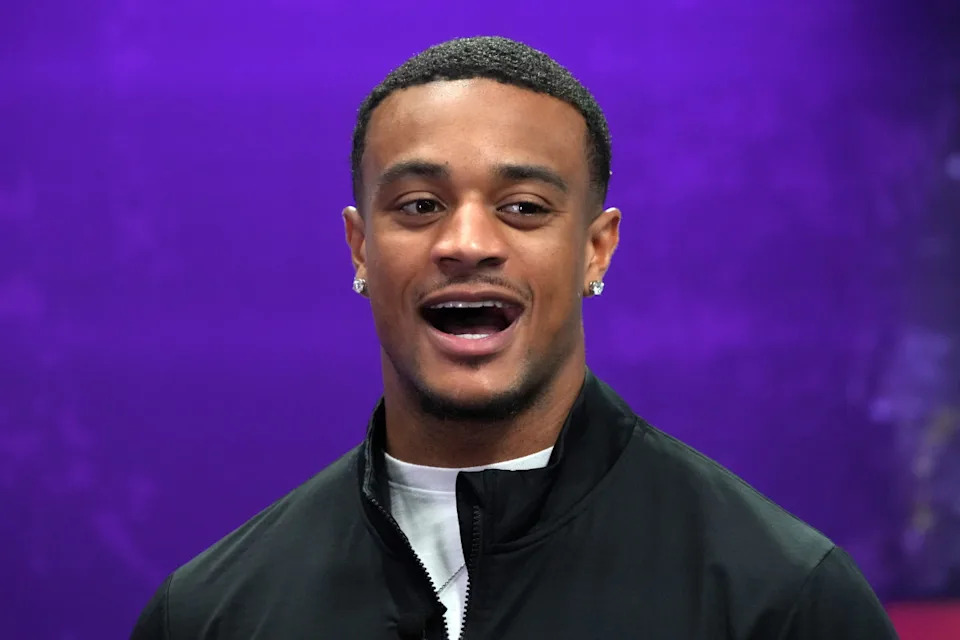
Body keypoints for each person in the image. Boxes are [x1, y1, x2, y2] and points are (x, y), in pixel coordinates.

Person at [131, 36, 899, 639]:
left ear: (596, 248)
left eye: (525, 207)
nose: (467, 241)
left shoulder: (784, 599)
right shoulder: (209, 616)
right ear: (359, 248)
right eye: (421, 205)